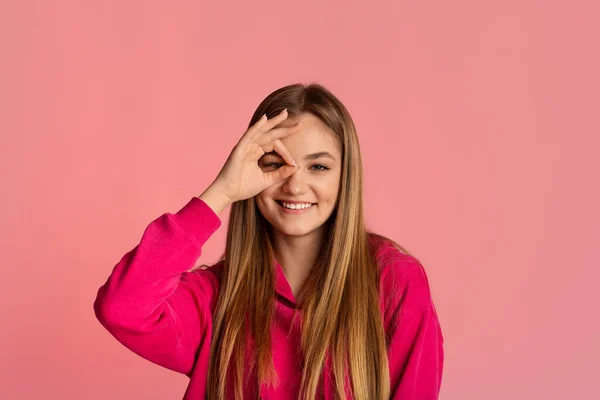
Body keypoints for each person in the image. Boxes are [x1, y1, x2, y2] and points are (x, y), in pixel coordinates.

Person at [94, 83, 444, 399]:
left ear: (345, 177)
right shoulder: (217, 297)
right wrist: (222, 191)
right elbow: (121, 308)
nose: (293, 185)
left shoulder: (394, 281)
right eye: (276, 164)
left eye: (318, 167)